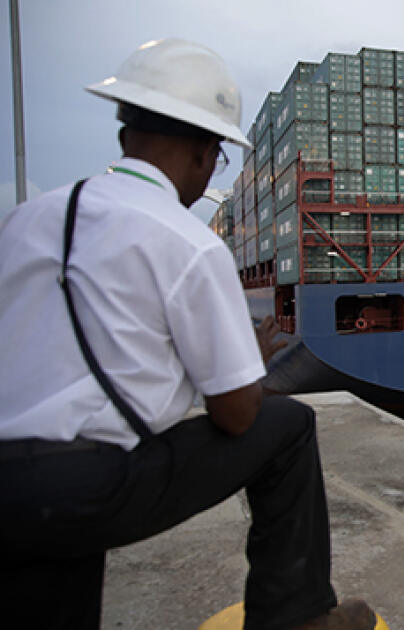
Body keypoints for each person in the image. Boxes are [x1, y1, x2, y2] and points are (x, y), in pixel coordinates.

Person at [0, 39, 374, 630]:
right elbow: (234, 416)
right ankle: (296, 618)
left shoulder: (25, 221)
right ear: (207, 153)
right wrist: (248, 364)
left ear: (125, 132)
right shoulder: (190, 242)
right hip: (85, 487)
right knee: (288, 427)